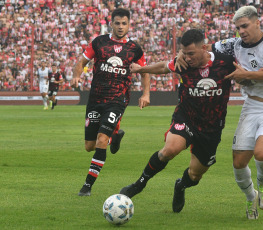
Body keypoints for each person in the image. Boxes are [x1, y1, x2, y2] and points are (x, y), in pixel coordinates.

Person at [176, 6, 263, 220]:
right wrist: (181, 54)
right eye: (238, 27)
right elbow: (201, 48)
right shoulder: (234, 44)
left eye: (245, 26)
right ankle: (251, 197)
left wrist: (246, 75)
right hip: (251, 107)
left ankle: (262, 181)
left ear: (257, 23)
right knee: (238, 163)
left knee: (260, 153)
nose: (241, 31)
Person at [119, 29, 236, 213]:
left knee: (195, 174)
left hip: (211, 128)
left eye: (191, 53)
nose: (187, 58)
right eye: (184, 53)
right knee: (170, 149)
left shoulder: (226, 62)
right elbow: (164, 67)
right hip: (186, 117)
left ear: (204, 48)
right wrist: (141, 69)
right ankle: (139, 184)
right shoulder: (183, 63)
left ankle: (180, 186)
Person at [72, 8, 150, 196]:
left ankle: (87, 186)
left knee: (101, 139)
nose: (121, 27)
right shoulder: (99, 42)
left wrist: (146, 94)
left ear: (129, 24)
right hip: (95, 98)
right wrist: (76, 76)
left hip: (117, 100)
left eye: (124, 23)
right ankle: (115, 137)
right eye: (117, 23)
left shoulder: (134, 49)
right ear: (111, 23)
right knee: (89, 146)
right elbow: (81, 62)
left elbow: (145, 71)